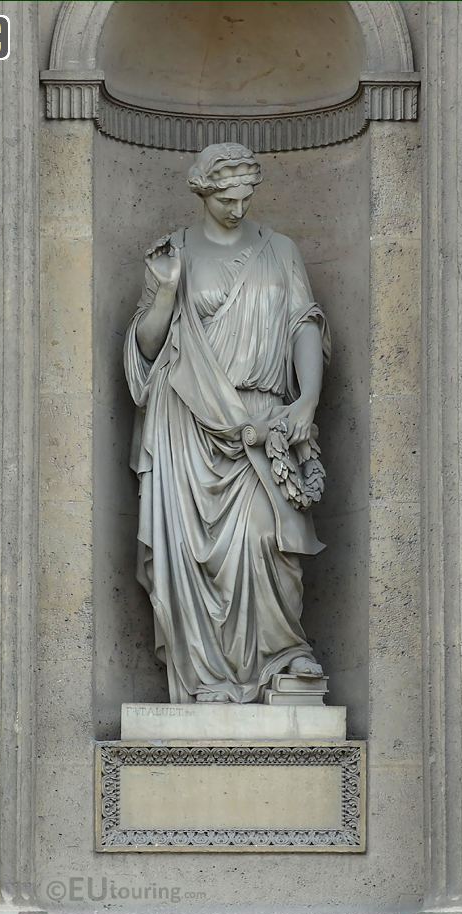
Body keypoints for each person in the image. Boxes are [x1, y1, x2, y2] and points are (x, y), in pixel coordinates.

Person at [124, 143, 331, 703]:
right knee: (191, 555)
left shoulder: (279, 250)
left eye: (246, 197)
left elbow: (302, 324)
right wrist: (166, 287)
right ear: (202, 192)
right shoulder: (174, 251)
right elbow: (147, 344)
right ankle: (204, 678)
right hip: (188, 422)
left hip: (265, 420)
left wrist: (307, 400)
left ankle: (281, 657)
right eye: (226, 199)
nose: (238, 208)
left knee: (269, 538)